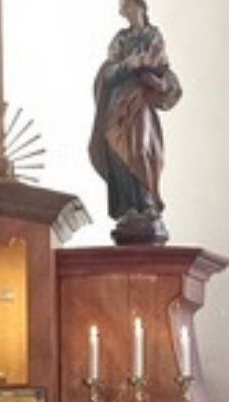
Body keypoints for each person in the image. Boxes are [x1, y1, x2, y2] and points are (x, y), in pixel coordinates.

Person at [88, 0, 182, 239]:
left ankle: (148, 202)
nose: (126, 12)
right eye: (124, 8)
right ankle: (129, 207)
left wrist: (157, 80)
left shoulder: (153, 36)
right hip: (118, 104)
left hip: (140, 102)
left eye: (130, 6)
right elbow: (108, 72)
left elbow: (161, 67)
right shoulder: (120, 39)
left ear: (141, 7)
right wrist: (127, 65)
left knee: (140, 149)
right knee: (117, 151)